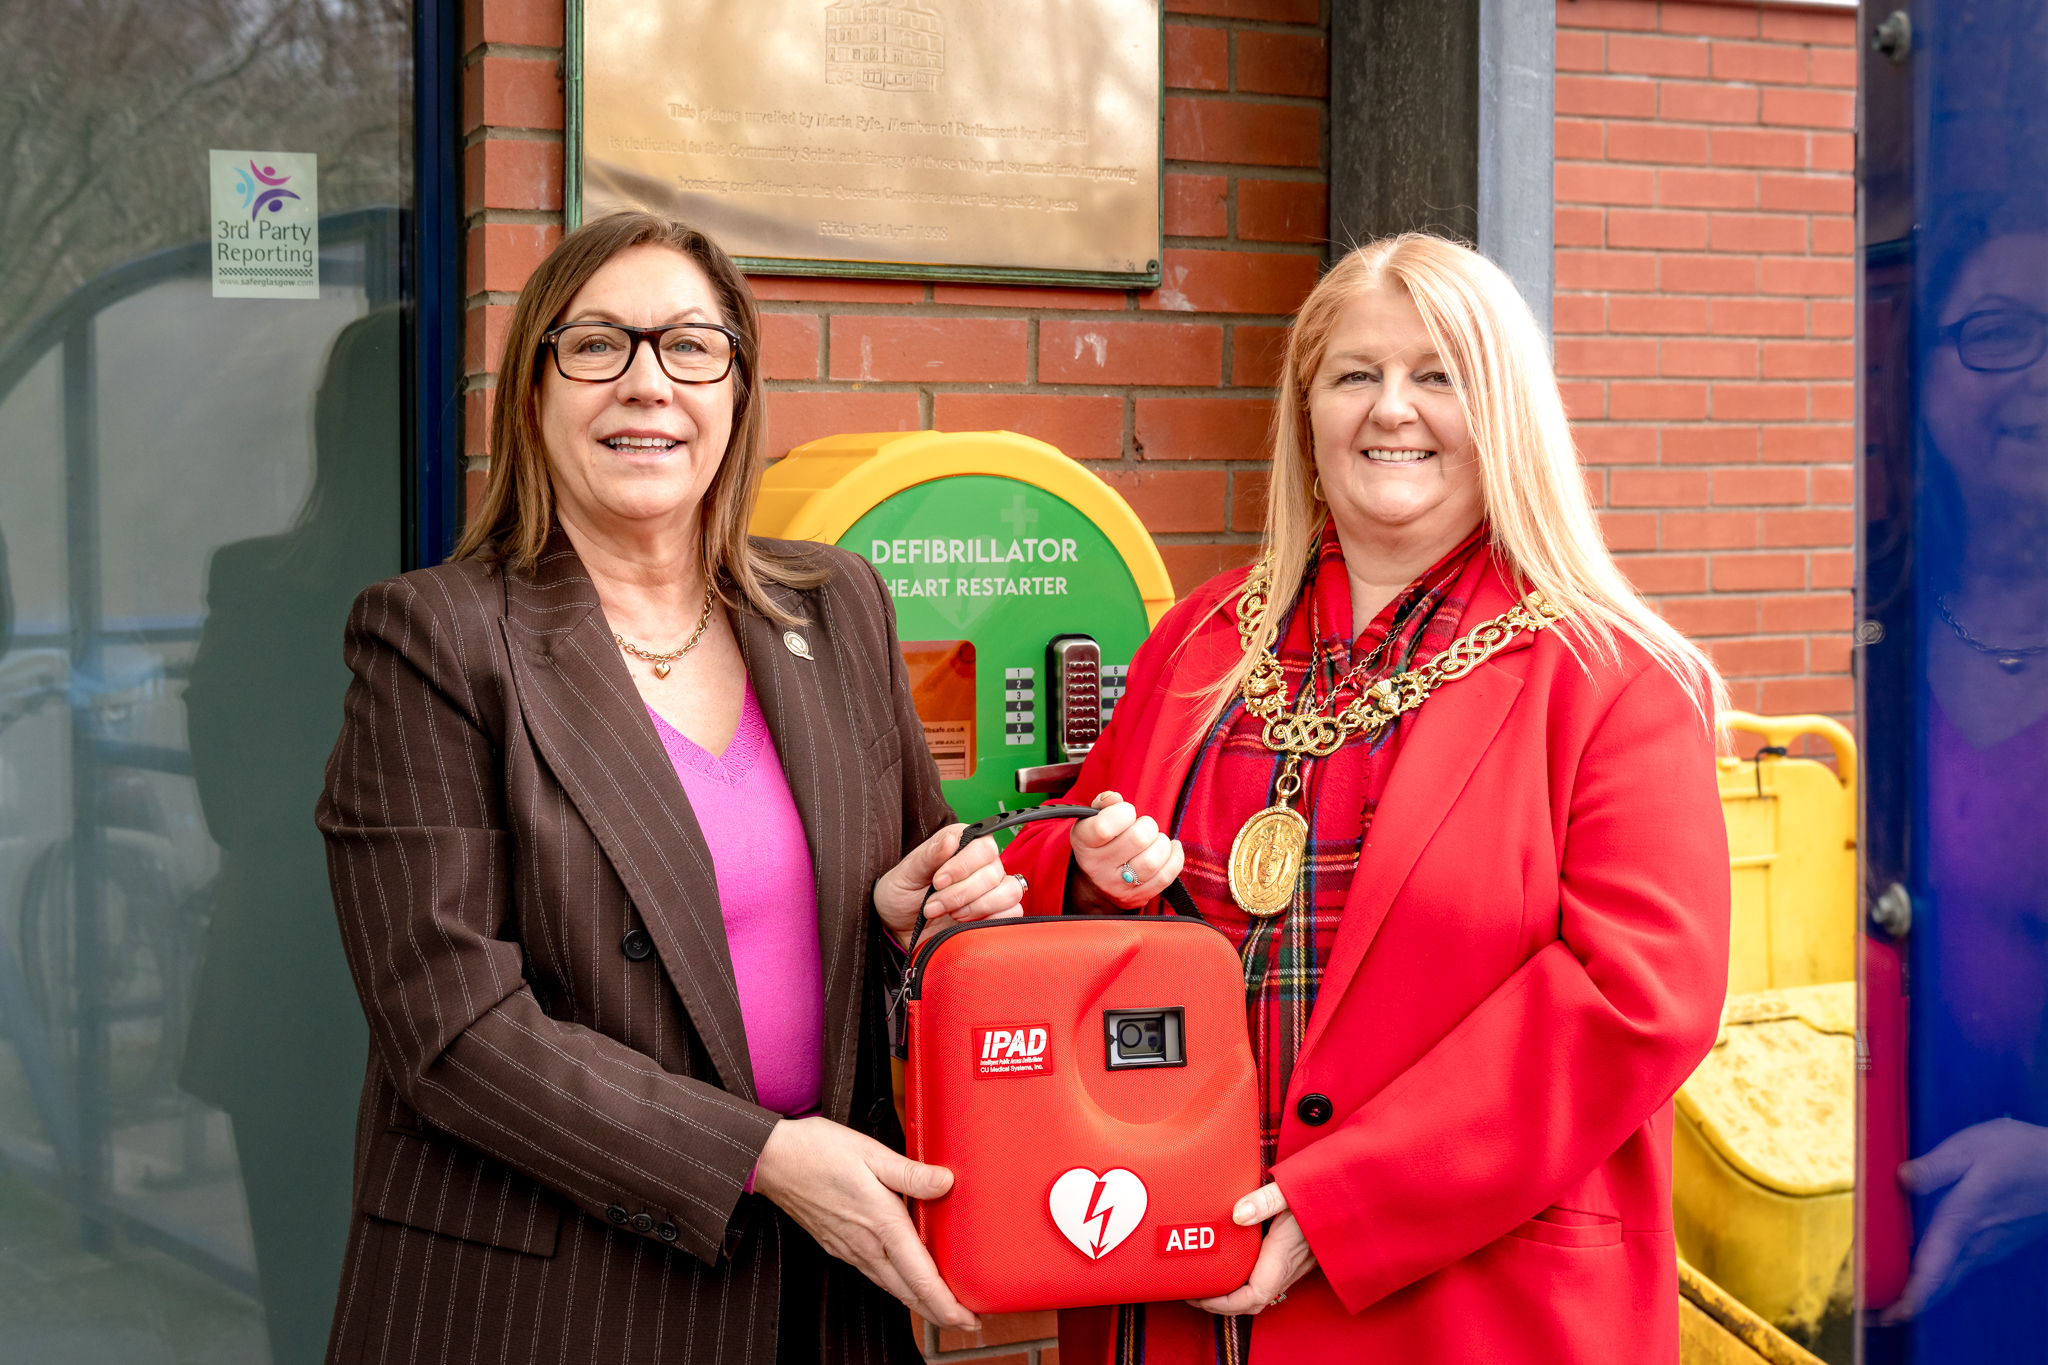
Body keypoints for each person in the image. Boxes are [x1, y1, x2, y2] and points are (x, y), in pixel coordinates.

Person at [1002, 233, 1731, 1363]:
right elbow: (1060, 869)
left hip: (1456, 1306)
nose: (1392, 409)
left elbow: (1633, 1002)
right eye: (1355, 375)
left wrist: (1337, 1205)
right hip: (1161, 1282)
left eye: (1436, 375)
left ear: (1503, 413)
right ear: (1306, 415)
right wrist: (1069, 867)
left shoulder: (1613, 677)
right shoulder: (1199, 640)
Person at [316, 211, 1020, 1364]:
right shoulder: (436, 640)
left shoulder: (835, 607)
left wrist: (915, 921)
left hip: (817, 1288)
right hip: (558, 1293)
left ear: (735, 391)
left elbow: (920, 911)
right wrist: (761, 1158)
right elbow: (452, 1031)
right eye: (598, 345)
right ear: (536, 390)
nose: (648, 384)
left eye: (691, 347)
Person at [1870, 222, 2048, 1353]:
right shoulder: (1859, 624)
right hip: (1879, 1254)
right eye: (1994, 334)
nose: (2038, 372)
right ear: (1914, 380)